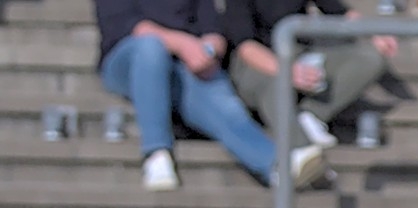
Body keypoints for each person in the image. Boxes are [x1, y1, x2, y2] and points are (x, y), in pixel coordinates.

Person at [93, 0, 327, 191]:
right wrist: (185, 45)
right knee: (150, 48)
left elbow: (214, 30)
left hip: (184, 66)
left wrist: (209, 50)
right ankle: (156, 152)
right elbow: (132, 27)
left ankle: (277, 166)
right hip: (129, 60)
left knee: (224, 106)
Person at [224, 0, 396, 150]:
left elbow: (340, 12)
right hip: (258, 62)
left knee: (370, 58)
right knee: (275, 85)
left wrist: (374, 33)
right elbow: (245, 46)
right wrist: (287, 71)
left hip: (301, 55)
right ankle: (301, 152)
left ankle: (311, 114)